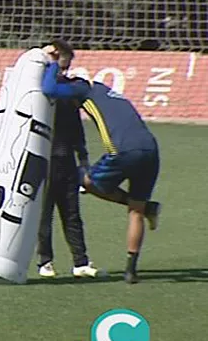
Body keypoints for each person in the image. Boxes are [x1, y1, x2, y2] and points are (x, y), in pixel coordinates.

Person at [40, 40, 161, 284]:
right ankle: (130, 270)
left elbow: (49, 88)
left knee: (82, 179)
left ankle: (52, 260)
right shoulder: (107, 90)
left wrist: (53, 63)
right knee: (136, 211)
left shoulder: (82, 89)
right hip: (151, 149)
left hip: (123, 151)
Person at [37, 94, 97, 279]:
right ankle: (45, 262)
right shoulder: (40, 101)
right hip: (45, 163)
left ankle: (80, 262)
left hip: (67, 163)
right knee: (45, 215)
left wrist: (84, 159)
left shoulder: (68, 99)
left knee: (72, 214)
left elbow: (77, 132)